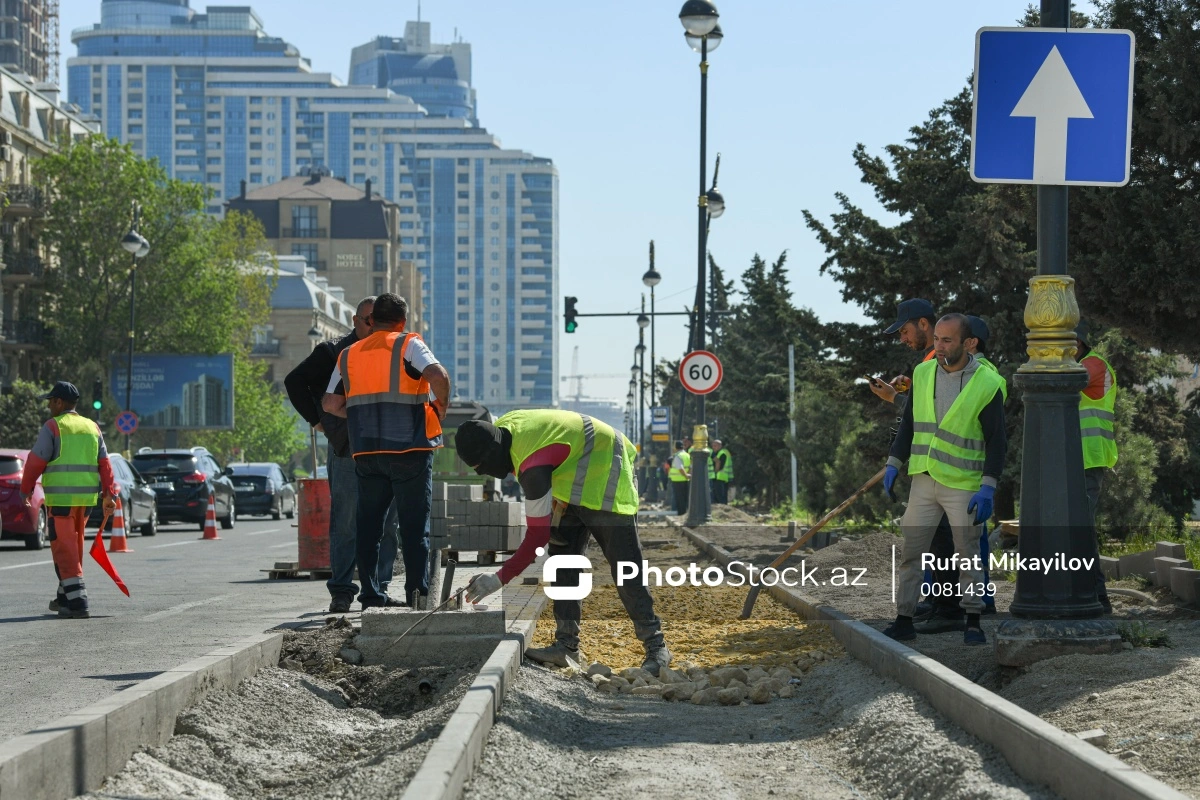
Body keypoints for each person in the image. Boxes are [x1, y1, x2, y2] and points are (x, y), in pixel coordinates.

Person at [453, 410, 672, 676]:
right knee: (563, 561)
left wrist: (498, 578)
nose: (487, 474)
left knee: (625, 566)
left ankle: (656, 648)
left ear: (493, 454)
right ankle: (566, 646)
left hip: (606, 467)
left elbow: (537, 537)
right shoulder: (501, 430)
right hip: (572, 478)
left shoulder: (532, 464)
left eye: (483, 468)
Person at [882, 314, 1007, 646]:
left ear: (968, 343)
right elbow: (909, 423)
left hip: (964, 483)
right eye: (936, 339)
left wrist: (987, 487)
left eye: (947, 340)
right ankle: (904, 619)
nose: (938, 346)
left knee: (967, 553)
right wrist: (894, 462)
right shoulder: (922, 373)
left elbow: (997, 440)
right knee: (912, 551)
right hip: (924, 478)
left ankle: (973, 621)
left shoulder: (987, 382)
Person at [322, 293, 451, 610]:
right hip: (410, 450)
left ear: (370, 320)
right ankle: (416, 597)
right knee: (412, 529)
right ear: (402, 321)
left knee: (369, 528)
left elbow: (330, 404)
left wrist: (362, 415)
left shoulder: (349, 354)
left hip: (368, 453)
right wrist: (439, 408)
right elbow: (439, 376)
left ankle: (369, 596)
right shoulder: (408, 344)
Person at [285, 297, 399, 613]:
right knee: (347, 522)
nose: (374, 327)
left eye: (381, 322)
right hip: (348, 450)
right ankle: (342, 592)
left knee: (388, 524)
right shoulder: (333, 352)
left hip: (387, 450)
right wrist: (318, 421)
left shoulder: (392, 353)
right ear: (355, 320)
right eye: (369, 321)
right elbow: (294, 381)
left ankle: (378, 590)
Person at [870, 298, 962, 629]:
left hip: (946, 466)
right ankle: (940, 602)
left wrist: (893, 398)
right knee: (935, 540)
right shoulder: (929, 361)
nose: (902, 339)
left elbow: (931, 413)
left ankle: (951, 610)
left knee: (943, 540)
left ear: (924, 324)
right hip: (930, 466)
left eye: (905, 331)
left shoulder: (941, 359)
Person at [20, 382, 119, 619]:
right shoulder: (92, 427)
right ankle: (64, 599)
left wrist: (26, 489)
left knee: (63, 550)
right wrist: (109, 495)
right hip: (85, 502)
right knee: (73, 548)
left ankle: (78, 603)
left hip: (61, 501)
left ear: (59, 402)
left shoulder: (53, 426)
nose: (48, 405)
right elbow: (105, 464)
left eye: (50, 401)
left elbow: (35, 461)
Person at [1077, 322, 1116, 613]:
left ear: (1076, 343)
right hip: (1079, 459)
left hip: (1089, 458)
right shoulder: (1084, 363)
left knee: (1081, 530)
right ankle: (1089, 594)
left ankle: (1097, 597)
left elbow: (1064, 383)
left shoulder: (1092, 365)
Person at [668, 439, 690, 515]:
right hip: (686, 480)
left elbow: (680, 468)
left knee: (679, 498)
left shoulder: (677, 456)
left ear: (675, 447)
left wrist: (685, 475)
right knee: (685, 497)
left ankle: (681, 513)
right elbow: (690, 467)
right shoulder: (687, 455)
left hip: (677, 480)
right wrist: (688, 475)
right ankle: (686, 512)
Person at [711, 438, 733, 505]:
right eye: (713, 446)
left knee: (719, 497)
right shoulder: (724, 452)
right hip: (724, 478)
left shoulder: (722, 453)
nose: (713, 447)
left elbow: (719, 465)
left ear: (720, 446)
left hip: (719, 477)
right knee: (722, 496)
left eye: (715, 446)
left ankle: (722, 511)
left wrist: (715, 472)